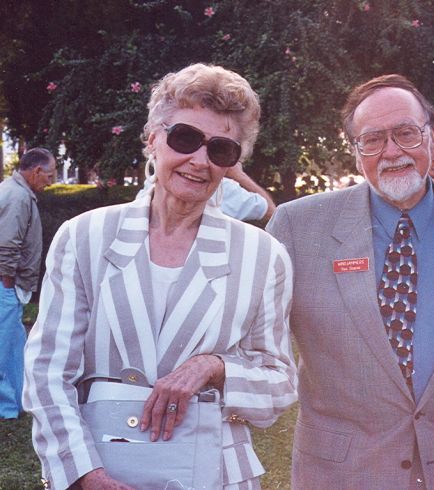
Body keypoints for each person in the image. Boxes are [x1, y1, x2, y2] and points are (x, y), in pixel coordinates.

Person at [23, 63, 296, 489]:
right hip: (102, 469)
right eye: (185, 138)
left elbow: (280, 384)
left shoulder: (263, 255)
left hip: (218, 476)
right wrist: (85, 475)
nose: (199, 161)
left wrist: (214, 367)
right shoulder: (84, 237)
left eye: (221, 150)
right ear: (153, 138)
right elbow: (47, 374)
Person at [267, 74, 434, 488]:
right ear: (355, 152)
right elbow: (250, 337)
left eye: (406, 133)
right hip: (342, 473)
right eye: (373, 140)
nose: (392, 152)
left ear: (432, 139)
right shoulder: (296, 227)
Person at [0, 148, 55, 419]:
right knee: (5, 346)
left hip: (7, 285)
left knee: (15, 346)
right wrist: (8, 285)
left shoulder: (15, 191)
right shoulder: (18, 196)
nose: (51, 182)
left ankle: (19, 401)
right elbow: (7, 245)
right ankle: (7, 407)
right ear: (36, 171)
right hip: (4, 285)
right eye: (50, 175)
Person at [137, 159, 276, 221]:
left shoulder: (151, 185)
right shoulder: (225, 189)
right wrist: (239, 175)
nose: (198, 162)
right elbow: (272, 211)